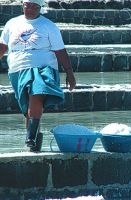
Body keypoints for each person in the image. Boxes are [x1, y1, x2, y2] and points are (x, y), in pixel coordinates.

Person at [0, 0, 76, 152]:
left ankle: (30, 136)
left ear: (40, 8)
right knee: (28, 104)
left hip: (43, 67)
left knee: (36, 93)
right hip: (18, 69)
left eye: (34, 6)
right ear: (23, 6)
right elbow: (3, 46)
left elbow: (60, 51)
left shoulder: (49, 26)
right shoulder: (12, 24)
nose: (30, 9)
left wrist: (69, 73)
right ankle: (34, 142)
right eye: (27, 5)